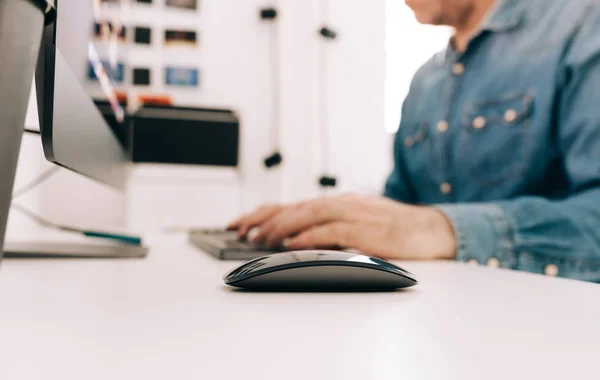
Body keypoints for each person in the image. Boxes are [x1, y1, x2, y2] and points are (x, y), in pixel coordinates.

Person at [229, 0, 600, 282]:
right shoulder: (426, 81)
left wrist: (442, 229)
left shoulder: (583, 24)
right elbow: (399, 208)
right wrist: (322, 227)